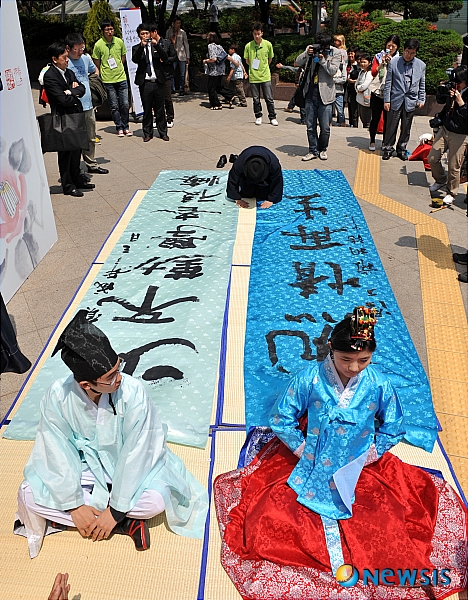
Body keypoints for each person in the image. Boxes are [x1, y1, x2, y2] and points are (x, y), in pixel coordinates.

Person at [213, 306, 468, 600]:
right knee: (274, 519)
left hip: (360, 462)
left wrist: (372, 453)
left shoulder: (378, 383)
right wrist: (301, 448)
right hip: (310, 458)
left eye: (364, 360)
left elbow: (394, 425)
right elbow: (282, 418)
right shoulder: (309, 378)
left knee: (385, 523)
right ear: (331, 348)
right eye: (346, 359)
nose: (355, 368)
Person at [14, 311, 208, 558]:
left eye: (118, 368)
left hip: (128, 468)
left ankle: (104, 517)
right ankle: (125, 524)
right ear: (86, 384)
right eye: (110, 377)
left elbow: (141, 450)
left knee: (156, 501)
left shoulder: (133, 392)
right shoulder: (58, 395)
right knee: (29, 492)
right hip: (85, 467)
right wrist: (73, 505)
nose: (119, 379)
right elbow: (55, 449)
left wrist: (116, 510)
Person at [43, 43, 93, 198]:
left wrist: (70, 91)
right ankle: (68, 185)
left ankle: (77, 178)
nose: (67, 60)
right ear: (54, 59)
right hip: (63, 118)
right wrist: (72, 93)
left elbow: (82, 88)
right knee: (65, 152)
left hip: (75, 115)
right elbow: (62, 100)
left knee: (76, 149)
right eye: (64, 57)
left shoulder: (69, 72)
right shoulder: (50, 76)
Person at [65, 33, 109, 175]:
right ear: (68, 48)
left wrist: (94, 82)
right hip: (73, 108)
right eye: (76, 49)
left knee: (90, 137)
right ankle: (75, 168)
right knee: (75, 140)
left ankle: (91, 164)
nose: (80, 52)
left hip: (88, 105)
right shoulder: (64, 61)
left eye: (82, 49)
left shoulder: (85, 59)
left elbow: (94, 70)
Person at [295, 31, 341, 161]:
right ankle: (313, 150)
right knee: (310, 126)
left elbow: (333, 70)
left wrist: (322, 59)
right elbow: (297, 62)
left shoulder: (335, 52)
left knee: (325, 127)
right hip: (310, 93)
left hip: (325, 95)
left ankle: (323, 149)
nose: (321, 48)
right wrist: (307, 54)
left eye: (324, 46)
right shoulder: (311, 48)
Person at [427, 65, 468, 206]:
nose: (456, 84)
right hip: (445, 128)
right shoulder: (452, 88)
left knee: (453, 165)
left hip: (460, 134)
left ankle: (452, 192)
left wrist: (460, 101)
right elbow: (440, 101)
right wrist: (442, 90)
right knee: (432, 157)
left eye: (459, 82)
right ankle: (440, 180)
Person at [382, 38, 426, 161]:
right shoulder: (394, 62)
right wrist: (386, 100)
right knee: (391, 126)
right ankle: (388, 149)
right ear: (403, 50)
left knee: (406, 128)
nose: (409, 55)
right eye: (407, 52)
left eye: (412, 53)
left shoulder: (421, 65)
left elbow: (422, 83)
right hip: (395, 99)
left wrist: (421, 99)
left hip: (410, 100)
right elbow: (388, 83)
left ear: (416, 53)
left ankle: (401, 149)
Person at [92, 21, 131, 137]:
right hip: (108, 80)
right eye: (107, 29)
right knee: (114, 106)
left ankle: (126, 126)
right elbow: (97, 62)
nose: (110, 32)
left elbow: (123, 57)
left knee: (125, 104)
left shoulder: (119, 42)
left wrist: (118, 67)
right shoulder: (98, 45)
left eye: (111, 29)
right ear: (103, 31)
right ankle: (119, 127)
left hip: (121, 77)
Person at [132, 23, 169, 142]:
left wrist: (156, 45)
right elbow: (135, 59)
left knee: (160, 109)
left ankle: (163, 132)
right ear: (139, 35)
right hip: (145, 82)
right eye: (142, 34)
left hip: (158, 81)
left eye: (147, 33)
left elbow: (165, 57)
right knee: (147, 109)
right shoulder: (136, 48)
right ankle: (147, 133)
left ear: (150, 34)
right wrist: (141, 47)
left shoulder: (156, 46)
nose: (145, 36)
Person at [368, 34, 400, 151]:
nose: (390, 48)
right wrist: (382, 63)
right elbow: (373, 72)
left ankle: (385, 141)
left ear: (397, 47)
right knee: (375, 117)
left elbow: (399, 75)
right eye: (388, 45)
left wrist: (392, 63)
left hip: (391, 93)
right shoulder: (378, 56)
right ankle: (372, 140)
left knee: (388, 119)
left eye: (393, 46)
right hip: (377, 91)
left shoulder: (399, 60)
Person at [244, 22, 278, 126]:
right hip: (254, 76)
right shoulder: (248, 46)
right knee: (256, 99)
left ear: (262, 33)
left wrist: (264, 67)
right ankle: (258, 116)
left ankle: (272, 117)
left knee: (269, 98)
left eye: (258, 34)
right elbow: (247, 61)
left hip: (265, 76)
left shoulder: (268, 44)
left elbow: (270, 59)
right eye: (255, 34)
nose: (257, 36)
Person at [150, 23, 177, 128]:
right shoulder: (148, 45)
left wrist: (165, 60)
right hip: (154, 75)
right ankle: (157, 117)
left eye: (149, 33)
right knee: (155, 99)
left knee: (167, 98)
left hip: (166, 74)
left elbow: (174, 57)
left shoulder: (167, 43)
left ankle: (170, 118)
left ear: (155, 32)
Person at [202, 32, 234, 109]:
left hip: (214, 70)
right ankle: (230, 95)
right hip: (221, 69)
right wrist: (234, 61)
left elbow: (214, 59)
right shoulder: (219, 46)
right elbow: (226, 55)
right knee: (218, 86)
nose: (207, 37)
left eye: (208, 36)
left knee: (211, 87)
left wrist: (206, 60)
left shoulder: (210, 46)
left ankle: (215, 104)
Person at [166, 17, 190, 96]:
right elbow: (166, 43)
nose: (178, 25)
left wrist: (188, 56)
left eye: (179, 23)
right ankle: (172, 89)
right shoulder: (169, 31)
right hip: (172, 55)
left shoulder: (182, 32)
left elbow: (186, 44)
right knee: (171, 73)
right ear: (173, 23)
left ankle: (181, 89)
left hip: (181, 55)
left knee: (182, 73)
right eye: (177, 23)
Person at [332, 35, 348, 126]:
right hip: (331, 88)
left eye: (337, 40)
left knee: (340, 108)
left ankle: (341, 122)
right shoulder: (334, 49)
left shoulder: (342, 51)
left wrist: (334, 80)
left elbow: (344, 77)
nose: (335, 42)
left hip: (339, 87)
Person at [226, 43, 248, 107]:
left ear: (233, 50)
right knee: (234, 88)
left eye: (229, 49)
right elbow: (241, 65)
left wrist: (229, 77)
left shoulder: (233, 58)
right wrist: (244, 72)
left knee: (239, 89)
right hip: (239, 75)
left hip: (236, 75)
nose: (228, 50)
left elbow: (232, 68)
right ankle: (230, 99)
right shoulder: (238, 56)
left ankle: (243, 102)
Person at [355, 52, 373, 128]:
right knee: (362, 119)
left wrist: (358, 88)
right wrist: (357, 88)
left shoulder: (370, 73)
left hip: (366, 100)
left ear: (369, 63)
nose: (362, 64)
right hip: (360, 99)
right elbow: (356, 83)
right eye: (361, 62)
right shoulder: (361, 72)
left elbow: (365, 85)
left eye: (364, 62)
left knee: (367, 120)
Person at [346, 46, 360, 128]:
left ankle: (355, 124)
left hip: (356, 89)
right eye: (349, 53)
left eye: (352, 53)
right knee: (350, 106)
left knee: (355, 108)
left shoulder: (358, 65)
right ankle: (351, 123)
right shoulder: (347, 64)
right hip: (348, 89)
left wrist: (353, 81)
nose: (350, 55)